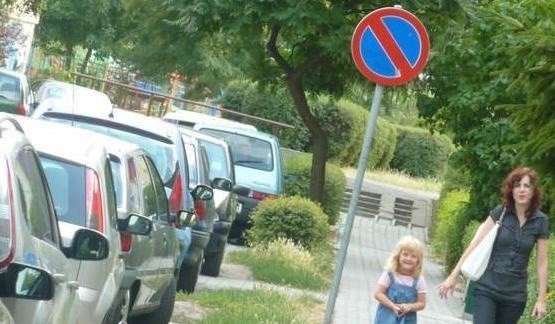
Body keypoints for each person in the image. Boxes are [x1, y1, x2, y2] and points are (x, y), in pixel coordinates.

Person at [438, 167, 549, 323]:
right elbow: (475, 244)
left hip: (515, 296)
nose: (521, 190)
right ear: (511, 190)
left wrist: (541, 299)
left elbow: (542, 262)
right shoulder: (500, 212)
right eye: (517, 185)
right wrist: (453, 275)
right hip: (487, 289)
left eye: (526, 186)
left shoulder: (540, 221)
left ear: (533, 191)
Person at [374, 236, 427, 324]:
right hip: (385, 318)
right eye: (405, 254)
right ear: (398, 256)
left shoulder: (419, 280)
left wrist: (409, 307)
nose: (409, 259)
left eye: (414, 256)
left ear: (419, 260)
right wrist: (393, 306)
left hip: (407, 320)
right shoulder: (389, 274)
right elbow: (378, 294)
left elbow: (422, 303)